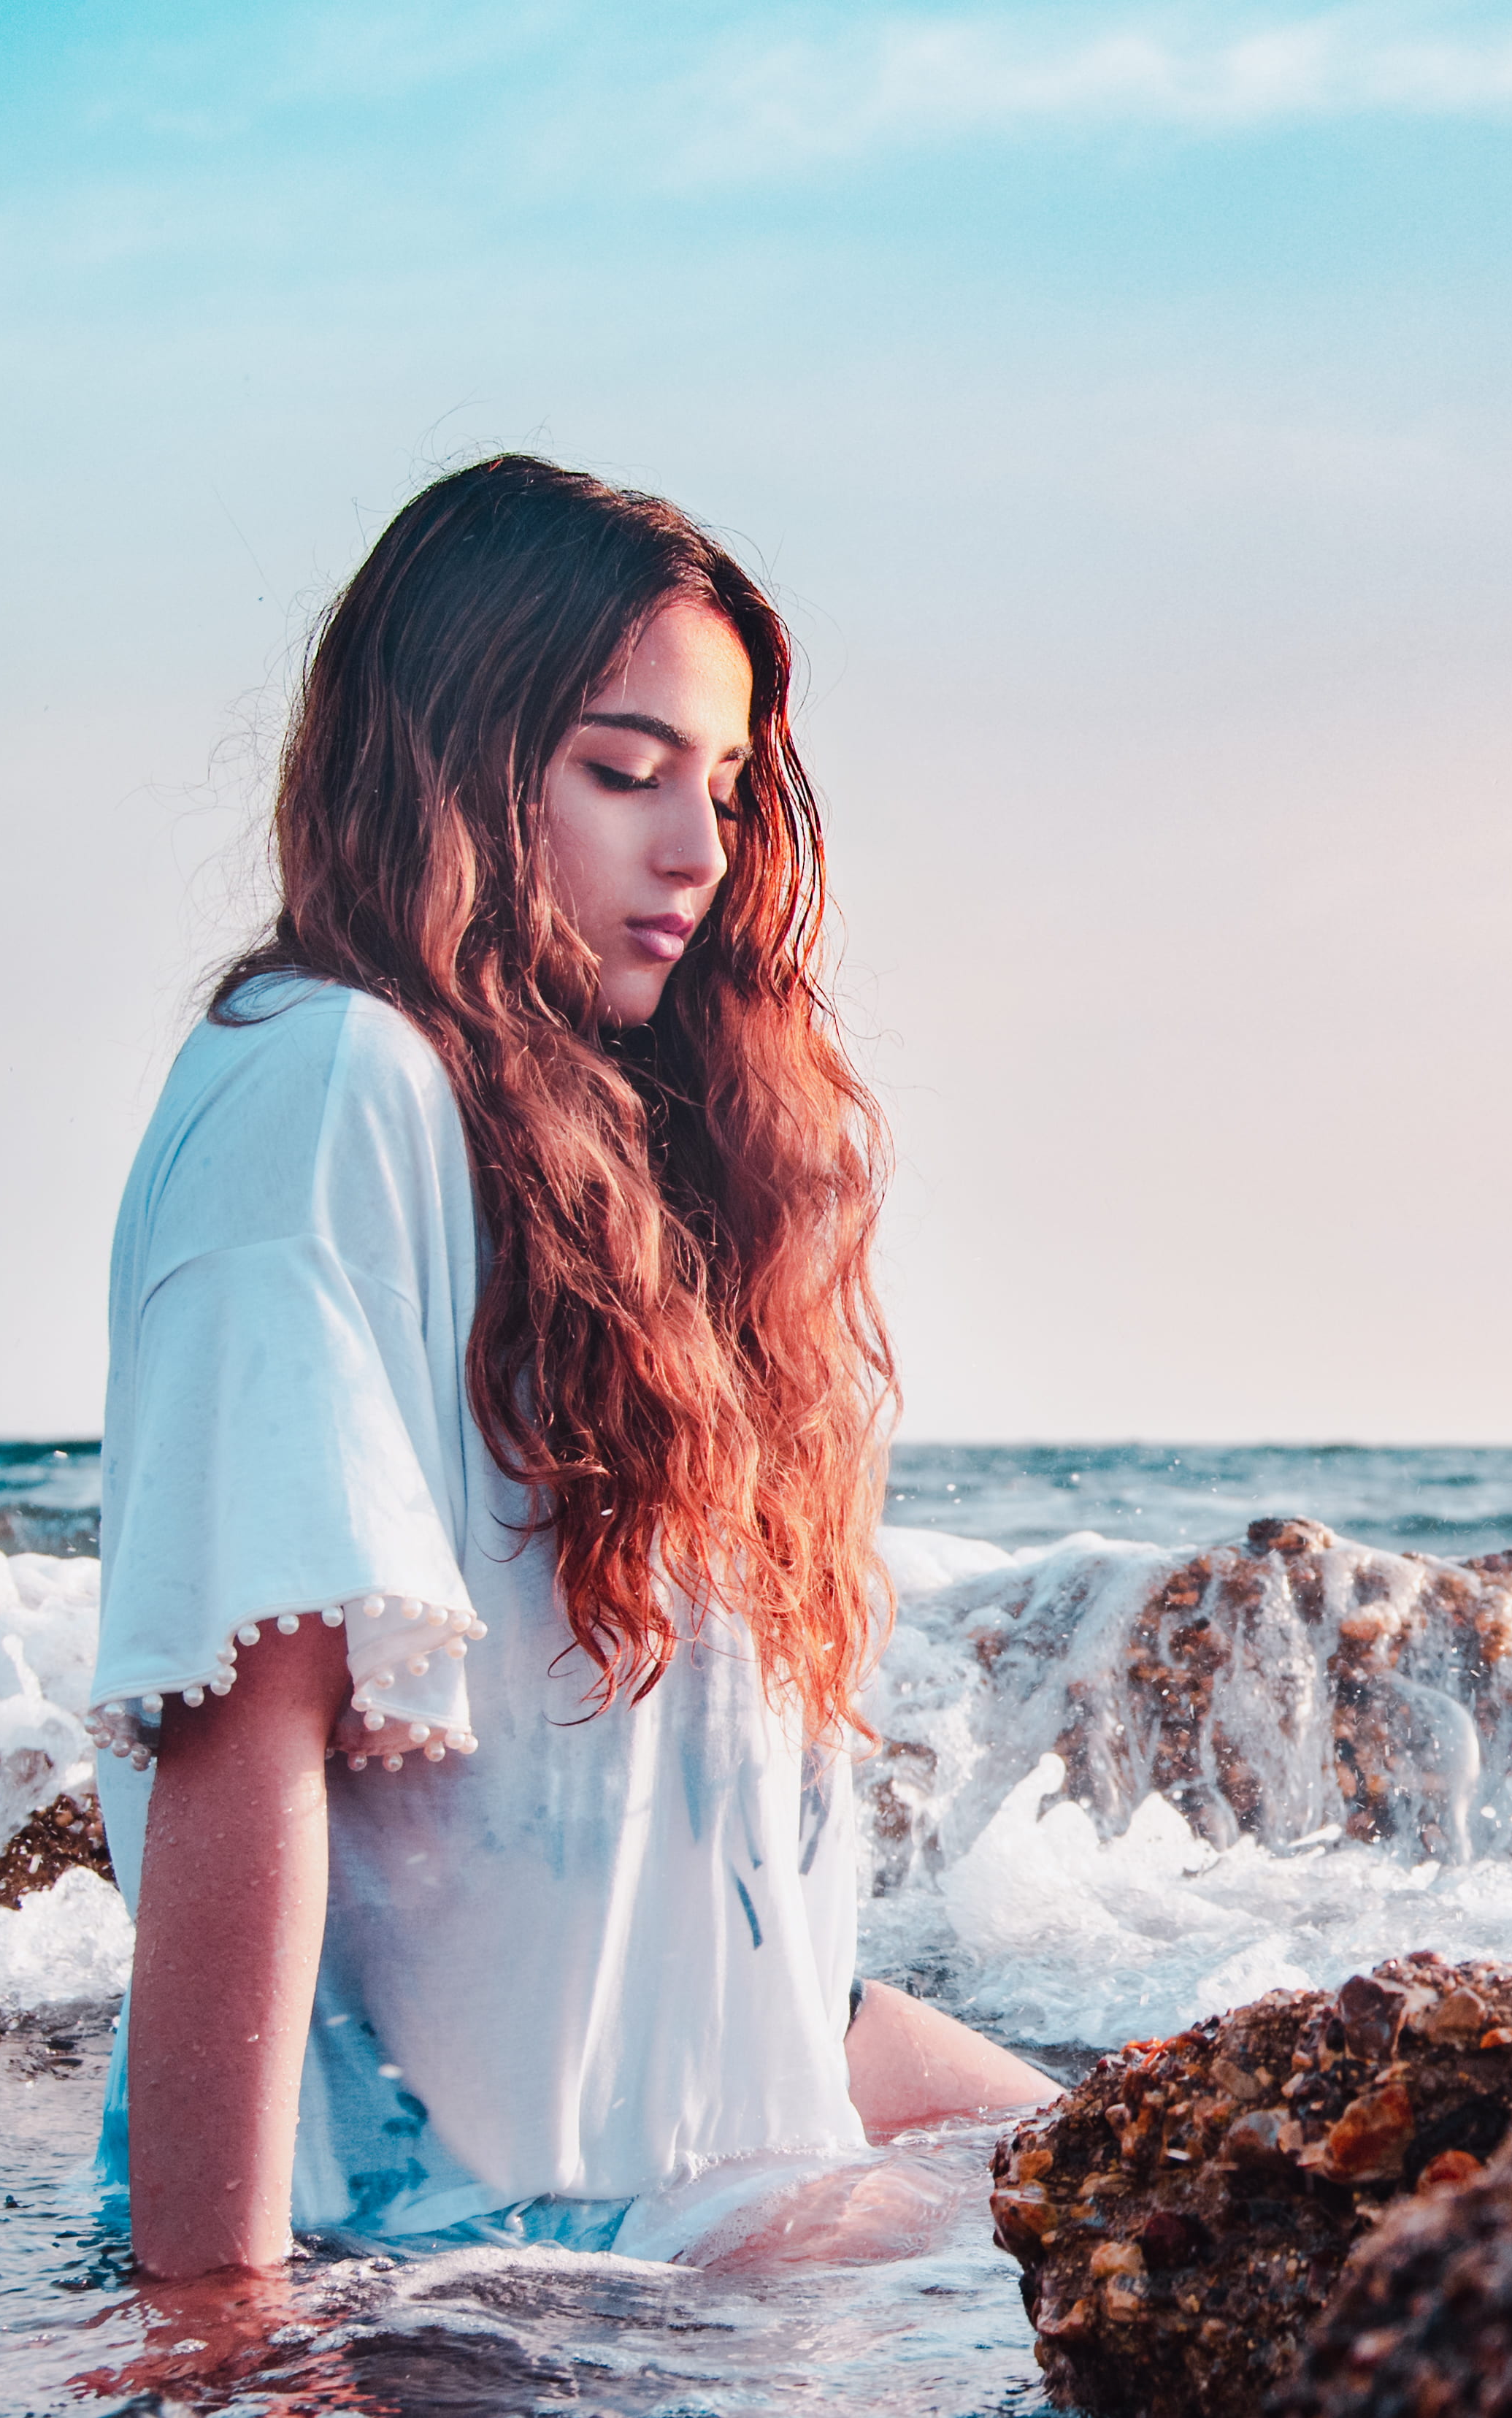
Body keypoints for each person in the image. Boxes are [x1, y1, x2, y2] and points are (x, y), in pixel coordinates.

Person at [88, 455, 1049, 2281]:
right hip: (474, 2314)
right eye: (623, 772)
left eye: (728, 785)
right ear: (443, 761)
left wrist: (1127, 2138)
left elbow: (731, 1964)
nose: (698, 849)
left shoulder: (643, 1179)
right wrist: (211, 2336)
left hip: (708, 2291)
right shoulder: (325, 1082)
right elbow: (246, 1734)